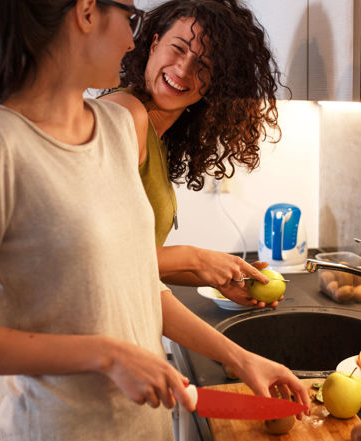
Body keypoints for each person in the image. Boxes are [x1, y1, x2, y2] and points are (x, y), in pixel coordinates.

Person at [0, 1, 309, 440]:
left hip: (145, 427)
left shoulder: (116, 127)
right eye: (131, 19)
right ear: (86, 13)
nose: (132, 41)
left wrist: (240, 358)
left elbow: (136, 285)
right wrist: (106, 355)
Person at [99, 0, 286, 308]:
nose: (184, 70)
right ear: (154, 43)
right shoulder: (124, 114)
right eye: (178, 48)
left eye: (205, 65)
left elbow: (138, 261)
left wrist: (221, 276)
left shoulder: (157, 129)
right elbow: (97, 256)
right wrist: (196, 258)